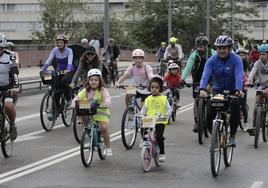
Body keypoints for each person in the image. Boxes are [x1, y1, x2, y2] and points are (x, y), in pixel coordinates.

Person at [199, 35, 244, 146]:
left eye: (224, 48)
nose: (221, 50)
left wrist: (238, 89)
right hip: (217, 91)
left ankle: (232, 136)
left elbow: (239, 75)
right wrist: (202, 88)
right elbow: (205, 75)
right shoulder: (212, 60)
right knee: (209, 113)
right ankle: (215, 137)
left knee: (235, 106)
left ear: (229, 48)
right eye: (219, 48)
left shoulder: (236, 59)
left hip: (233, 91)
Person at [73, 69, 112, 156]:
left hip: (101, 112)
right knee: (83, 115)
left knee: (104, 128)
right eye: (91, 80)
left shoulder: (103, 90)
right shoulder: (85, 91)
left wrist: (105, 104)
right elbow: (77, 98)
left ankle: (108, 147)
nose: (93, 82)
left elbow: (107, 99)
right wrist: (73, 104)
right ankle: (88, 131)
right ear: (88, 81)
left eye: (96, 80)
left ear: (100, 81)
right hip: (90, 111)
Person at [180, 36, 216, 132]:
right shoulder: (194, 55)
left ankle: (212, 118)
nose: (199, 48)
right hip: (197, 79)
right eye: (198, 46)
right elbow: (188, 67)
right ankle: (196, 121)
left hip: (210, 79)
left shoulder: (212, 53)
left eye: (201, 46)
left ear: (206, 46)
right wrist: (182, 79)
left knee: (211, 98)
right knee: (196, 101)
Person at [139, 76, 171, 162]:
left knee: (159, 137)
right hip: (150, 119)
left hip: (160, 120)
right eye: (152, 87)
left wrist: (167, 115)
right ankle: (144, 140)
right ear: (150, 88)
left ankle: (162, 153)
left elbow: (168, 109)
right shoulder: (148, 99)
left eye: (157, 87)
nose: (154, 89)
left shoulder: (163, 98)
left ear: (160, 88)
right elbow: (144, 109)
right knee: (143, 129)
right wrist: (140, 114)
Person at [41, 34, 74, 107]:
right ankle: (56, 108)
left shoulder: (69, 50)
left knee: (65, 81)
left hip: (68, 70)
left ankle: (69, 99)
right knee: (55, 86)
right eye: (58, 42)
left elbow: (70, 61)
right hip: (59, 70)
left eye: (61, 42)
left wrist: (68, 69)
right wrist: (43, 69)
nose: (60, 44)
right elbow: (49, 60)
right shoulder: (54, 50)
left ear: (65, 43)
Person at [0, 35, 19, 140]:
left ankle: (12, 125)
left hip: (9, 87)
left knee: (8, 105)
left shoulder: (10, 55)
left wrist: (15, 86)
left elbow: (14, 71)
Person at [247, 44, 268, 132]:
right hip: (260, 85)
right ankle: (255, 126)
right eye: (260, 54)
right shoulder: (257, 63)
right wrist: (248, 80)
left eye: (263, 54)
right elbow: (252, 72)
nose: (261, 56)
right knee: (256, 106)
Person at [236, 48, 251, 129]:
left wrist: (247, 82)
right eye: (239, 55)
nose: (241, 57)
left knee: (243, 105)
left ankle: (245, 122)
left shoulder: (246, 63)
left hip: (243, 85)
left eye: (243, 55)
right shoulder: (234, 63)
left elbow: (249, 74)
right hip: (235, 86)